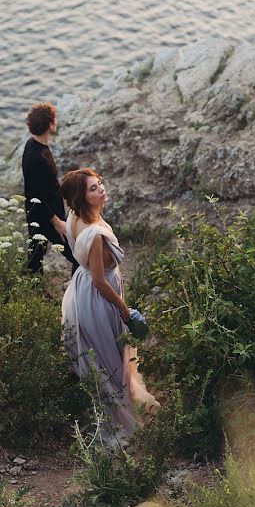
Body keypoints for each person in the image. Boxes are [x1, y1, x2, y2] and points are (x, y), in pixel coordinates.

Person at [60, 167, 160, 442]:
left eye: (100, 183)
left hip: (80, 290)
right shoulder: (95, 235)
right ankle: (120, 422)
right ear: (82, 196)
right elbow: (99, 282)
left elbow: (67, 235)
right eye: (93, 188)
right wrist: (125, 312)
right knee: (111, 358)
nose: (101, 189)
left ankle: (114, 405)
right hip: (99, 299)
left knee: (102, 356)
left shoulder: (74, 216)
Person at [21, 102, 79, 273]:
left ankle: (33, 289)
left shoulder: (32, 145)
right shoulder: (39, 158)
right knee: (76, 255)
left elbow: (36, 189)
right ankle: (77, 294)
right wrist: (56, 222)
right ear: (50, 125)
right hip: (48, 215)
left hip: (34, 211)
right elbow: (37, 193)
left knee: (36, 254)